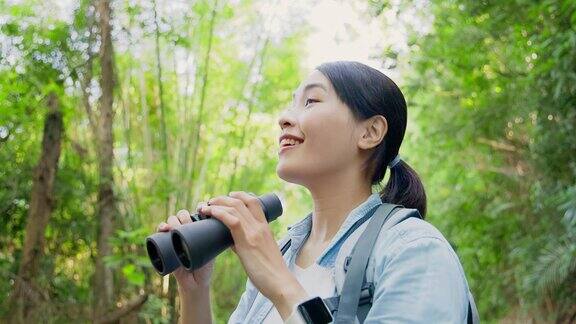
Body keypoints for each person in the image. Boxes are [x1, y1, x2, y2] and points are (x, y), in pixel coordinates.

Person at [156, 61, 472, 323]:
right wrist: (195, 293)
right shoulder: (282, 254)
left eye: (311, 101)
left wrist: (281, 286)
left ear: (370, 132)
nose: (283, 118)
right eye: (292, 103)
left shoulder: (414, 250)